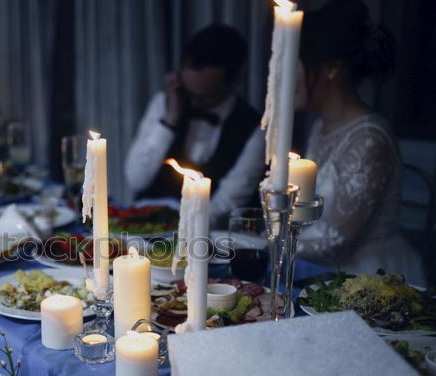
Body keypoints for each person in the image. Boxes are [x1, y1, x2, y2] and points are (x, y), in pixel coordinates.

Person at [296, 0, 425, 285]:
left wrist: (260, 241)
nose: (284, 77)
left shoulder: (369, 139)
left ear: (331, 68)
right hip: (319, 273)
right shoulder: (320, 126)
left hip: (371, 281)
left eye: (295, 64)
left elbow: (335, 243)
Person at [124, 24, 266, 228]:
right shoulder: (163, 104)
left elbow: (224, 206)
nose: (194, 103)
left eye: (206, 97)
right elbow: (136, 179)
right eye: (190, 94)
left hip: (202, 235)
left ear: (236, 80)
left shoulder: (255, 129)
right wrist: (170, 119)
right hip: (141, 230)